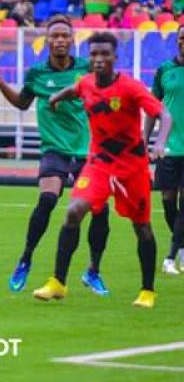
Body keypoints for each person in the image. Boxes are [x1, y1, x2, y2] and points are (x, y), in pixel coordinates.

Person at [34, 32, 171, 309]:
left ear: (114, 58)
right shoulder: (85, 83)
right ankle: (58, 283)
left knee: (142, 227)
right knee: (73, 211)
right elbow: (76, 90)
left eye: (104, 54)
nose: (98, 59)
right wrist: (55, 98)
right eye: (94, 54)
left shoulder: (130, 88)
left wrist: (158, 143)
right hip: (98, 164)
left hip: (132, 168)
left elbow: (163, 114)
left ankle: (147, 291)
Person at [0, 15, 110, 294]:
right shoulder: (37, 74)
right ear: (47, 40)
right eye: (55, 36)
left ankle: (93, 271)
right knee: (47, 199)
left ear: (72, 39)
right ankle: (25, 258)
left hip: (87, 152)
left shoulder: (87, 69)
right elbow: (21, 103)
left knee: (99, 211)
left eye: (65, 35)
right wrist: (1, 84)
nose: (60, 40)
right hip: (54, 150)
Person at [146, 25, 184, 274]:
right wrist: (144, 138)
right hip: (169, 147)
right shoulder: (164, 70)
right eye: (182, 38)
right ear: (177, 40)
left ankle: (170, 257)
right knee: (168, 202)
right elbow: (153, 106)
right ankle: (181, 247)